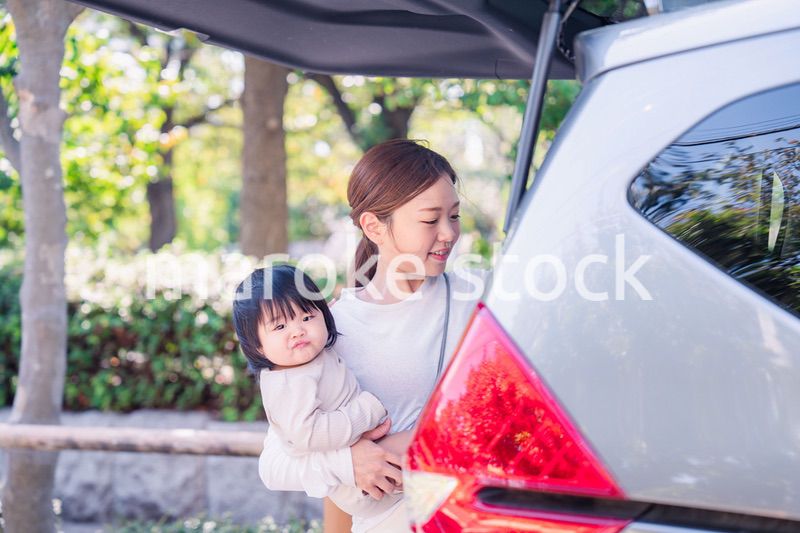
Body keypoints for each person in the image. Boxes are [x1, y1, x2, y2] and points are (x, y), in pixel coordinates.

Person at [258, 139, 487, 532]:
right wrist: (349, 462)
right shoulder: (329, 332)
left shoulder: (483, 297)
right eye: (430, 220)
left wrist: (417, 439)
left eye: (455, 215)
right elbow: (275, 463)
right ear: (374, 225)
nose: (448, 233)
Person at [232, 264, 408, 519]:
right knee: (428, 441)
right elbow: (310, 434)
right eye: (280, 327)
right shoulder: (289, 384)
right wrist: (366, 411)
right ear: (257, 346)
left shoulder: (304, 358)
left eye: (306, 317)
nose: (298, 331)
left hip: (368, 464)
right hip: (361, 484)